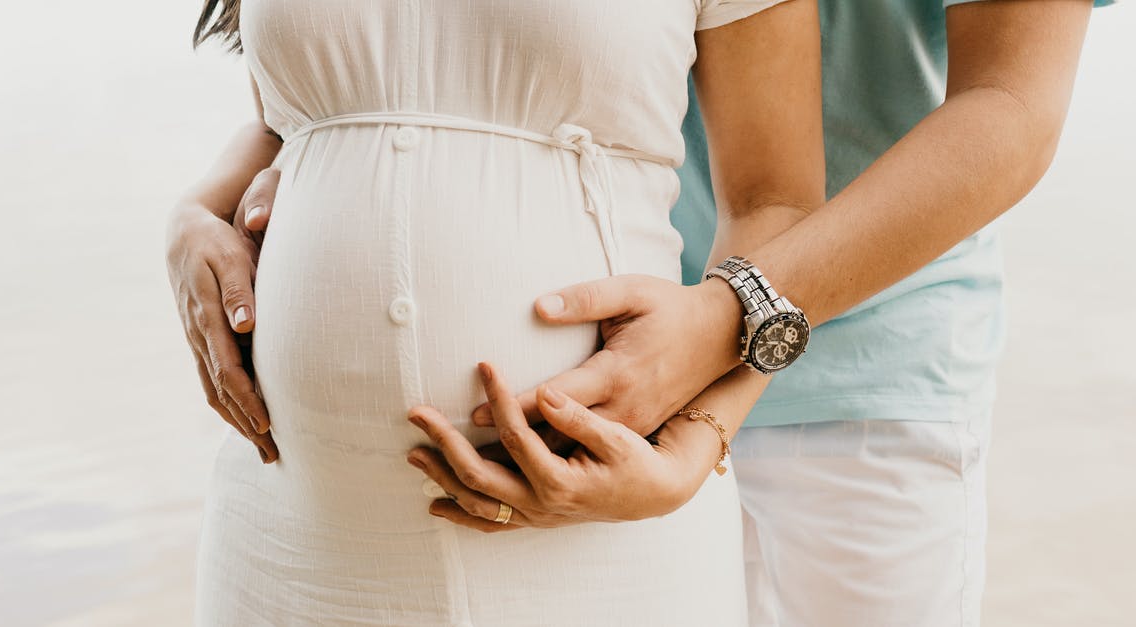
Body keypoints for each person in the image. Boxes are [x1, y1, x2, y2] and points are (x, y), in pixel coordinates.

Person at [201, 0, 1115, 625]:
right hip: (595, 371)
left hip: (862, 373)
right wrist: (201, 209)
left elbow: (1013, 105)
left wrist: (718, 347)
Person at [165, 0, 824, 624]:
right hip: (290, 534)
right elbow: (294, 119)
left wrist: (702, 433)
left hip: (603, 542)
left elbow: (775, 203)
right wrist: (195, 212)